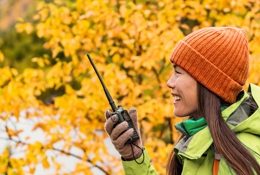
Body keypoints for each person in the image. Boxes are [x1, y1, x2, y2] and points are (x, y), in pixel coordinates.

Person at [104, 27, 260, 175]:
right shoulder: (205, 138)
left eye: (178, 73)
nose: (169, 82)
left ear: (208, 83)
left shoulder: (239, 158)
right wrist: (134, 156)